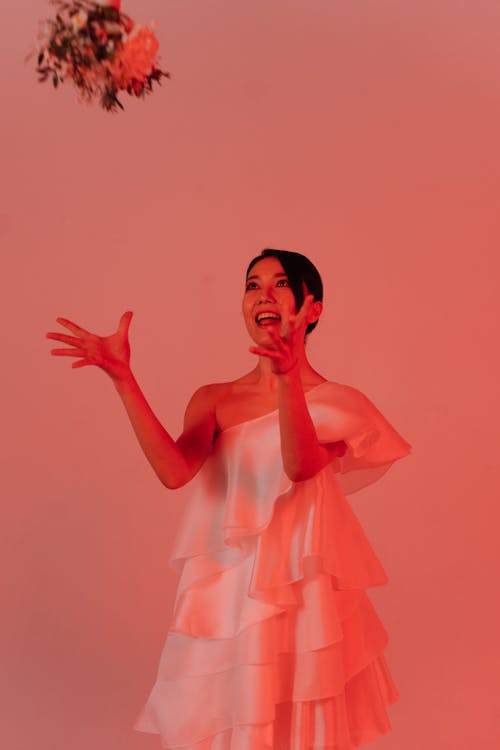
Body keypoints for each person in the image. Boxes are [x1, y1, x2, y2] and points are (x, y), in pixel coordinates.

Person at [47, 248, 411, 749]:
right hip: (228, 596)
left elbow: (299, 465)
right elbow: (174, 472)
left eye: (281, 284)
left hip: (299, 595)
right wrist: (122, 378)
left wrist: (287, 382)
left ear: (313, 308)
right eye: (251, 285)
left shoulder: (341, 403)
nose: (263, 295)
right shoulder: (214, 398)